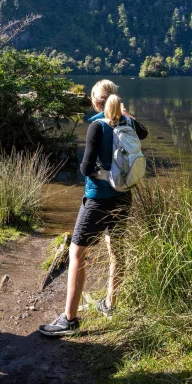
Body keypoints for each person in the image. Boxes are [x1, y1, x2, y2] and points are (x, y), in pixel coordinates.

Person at [39, 79, 147, 337]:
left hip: (98, 198)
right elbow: (143, 133)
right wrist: (123, 113)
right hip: (123, 197)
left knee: (77, 253)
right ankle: (110, 303)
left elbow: (86, 168)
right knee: (116, 251)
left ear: (95, 102)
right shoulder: (128, 123)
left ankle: (70, 319)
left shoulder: (96, 127)